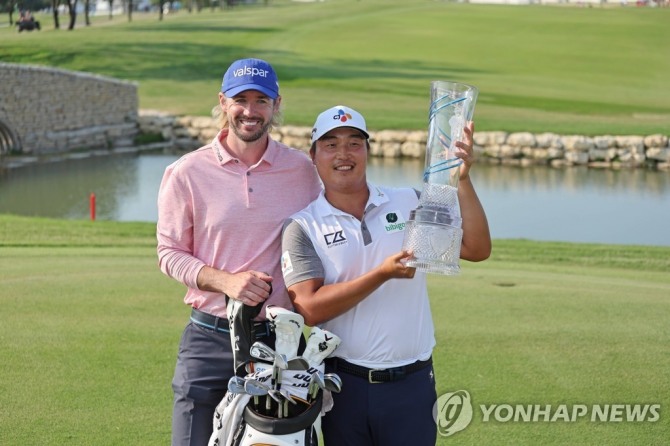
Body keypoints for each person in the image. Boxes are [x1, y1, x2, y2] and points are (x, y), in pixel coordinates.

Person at [280, 105, 491, 446]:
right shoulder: (303, 226)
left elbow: (476, 247)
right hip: (342, 386)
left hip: (413, 384)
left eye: (354, 143)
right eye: (330, 144)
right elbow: (309, 308)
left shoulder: (408, 202)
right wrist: (381, 274)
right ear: (313, 154)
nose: (343, 154)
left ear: (367, 150)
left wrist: (462, 179)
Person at [157, 58, 322, 446]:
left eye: (261, 100)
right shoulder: (186, 172)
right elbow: (169, 252)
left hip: (282, 342)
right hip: (209, 338)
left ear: (276, 105)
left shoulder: (303, 171)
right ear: (222, 102)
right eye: (240, 99)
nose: (250, 111)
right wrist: (225, 281)